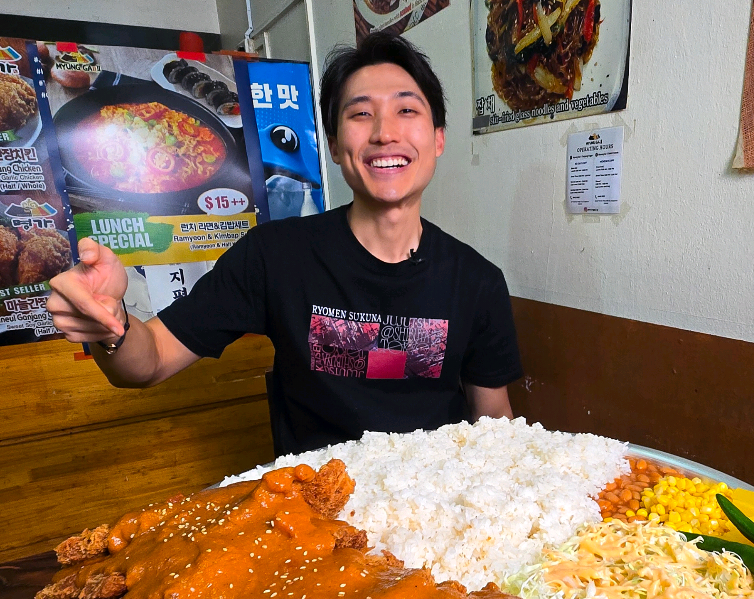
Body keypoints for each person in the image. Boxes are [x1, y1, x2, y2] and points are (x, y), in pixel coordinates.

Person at [46, 33, 521, 454]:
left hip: (433, 517)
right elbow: (147, 362)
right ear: (333, 146)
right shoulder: (275, 255)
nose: (384, 133)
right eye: (360, 114)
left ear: (438, 138)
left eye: (407, 110)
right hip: (316, 517)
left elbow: (494, 423)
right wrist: (113, 325)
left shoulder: (477, 281)